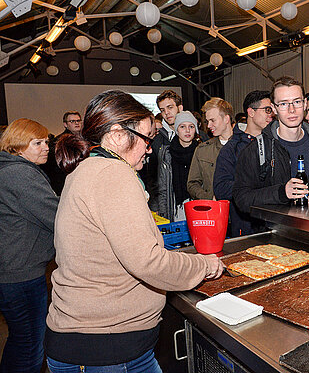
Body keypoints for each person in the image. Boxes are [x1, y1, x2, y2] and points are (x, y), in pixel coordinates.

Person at [45, 90, 223, 371]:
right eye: (146, 139)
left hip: (101, 344)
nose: (149, 149)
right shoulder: (113, 174)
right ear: (117, 134)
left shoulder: (88, 169)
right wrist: (205, 265)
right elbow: (147, 261)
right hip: (105, 348)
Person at [0, 118, 58, 373]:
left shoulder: (11, 170)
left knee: (20, 340)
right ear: (18, 146)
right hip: (21, 274)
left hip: (13, 270)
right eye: (38, 143)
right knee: (31, 345)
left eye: (46, 142)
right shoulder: (19, 174)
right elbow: (55, 215)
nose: (46, 147)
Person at [233, 76, 309, 212]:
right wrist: (281, 193)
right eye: (283, 104)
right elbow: (242, 198)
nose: (291, 110)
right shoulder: (257, 150)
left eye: (296, 102)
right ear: (274, 109)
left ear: (305, 104)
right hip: (274, 230)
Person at [214, 90, 273, 237]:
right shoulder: (232, 148)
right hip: (246, 227)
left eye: (272, 110)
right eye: (267, 110)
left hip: (274, 224)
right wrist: (254, 188)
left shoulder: (275, 144)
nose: (270, 114)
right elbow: (221, 188)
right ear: (251, 112)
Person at [187, 97, 234, 200]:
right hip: (213, 211)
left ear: (226, 119)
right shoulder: (203, 150)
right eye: (207, 121)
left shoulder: (245, 147)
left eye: (213, 121)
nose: (209, 125)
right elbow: (192, 184)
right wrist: (208, 198)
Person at [158, 111, 200, 221]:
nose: (187, 130)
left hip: (198, 206)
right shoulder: (167, 153)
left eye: (191, 126)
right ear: (177, 130)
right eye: (182, 126)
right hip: (175, 208)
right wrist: (163, 214)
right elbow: (163, 188)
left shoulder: (202, 152)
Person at [147, 90, 183, 210]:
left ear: (180, 108)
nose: (166, 113)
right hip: (165, 205)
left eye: (170, 107)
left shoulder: (198, 138)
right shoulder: (157, 141)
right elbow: (153, 179)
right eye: (162, 110)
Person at [42, 111, 83, 195]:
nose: (76, 123)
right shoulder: (60, 141)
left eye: (78, 121)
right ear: (65, 124)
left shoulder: (84, 138)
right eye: (72, 121)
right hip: (63, 181)